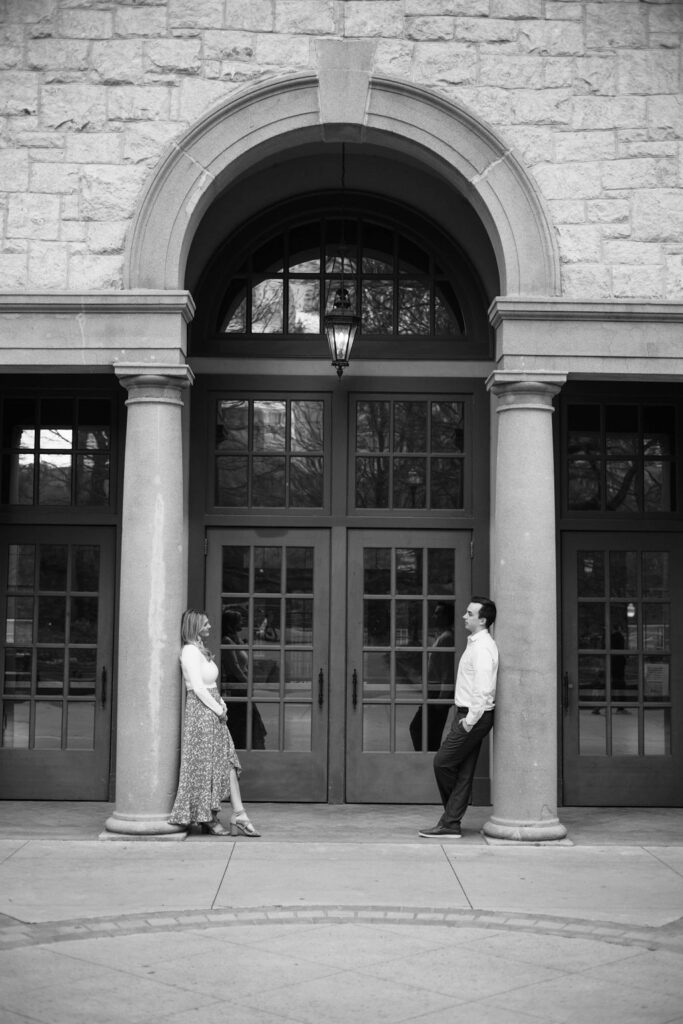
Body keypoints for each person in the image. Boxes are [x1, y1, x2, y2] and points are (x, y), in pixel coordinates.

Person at [169, 609, 261, 837]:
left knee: (226, 760)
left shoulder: (199, 649)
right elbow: (198, 688)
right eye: (206, 624)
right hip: (202, 713)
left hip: (212, 709)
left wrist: (221, 705)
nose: (210, 626)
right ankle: (212, 817)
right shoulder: (190, 651)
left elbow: (209, 687)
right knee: (205, 765)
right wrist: (219, 708)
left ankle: (236, 813)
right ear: (195, 626)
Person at [419, 596, 498, 839]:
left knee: (442, 762)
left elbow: (484, 689)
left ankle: (451, 819)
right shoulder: (476, 643)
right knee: (463, 772)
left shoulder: (483, 647)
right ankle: (451, 822)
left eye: (470, 614)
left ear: (482, 620)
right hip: (468, 714)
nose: (464, 616)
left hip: (473, 716)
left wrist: (470, 720)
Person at [409, 603, 456, 751]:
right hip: (433, 691)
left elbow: (447, 671)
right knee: (430, 733)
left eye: (438, 613)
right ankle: (429, 763)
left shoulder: (446, 638)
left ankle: (426, 763)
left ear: (446, 617)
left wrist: (442, 699)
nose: (434, 616)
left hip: (438, 693)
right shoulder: (442, 636)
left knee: (419, 729)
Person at [221, 608, 267, 750]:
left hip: (242, 684)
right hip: (237, 686)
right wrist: (248, 684)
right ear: (231, 623)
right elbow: (235, 669)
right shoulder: (227, 641)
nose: (243, 622)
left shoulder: (235, 639)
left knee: (249, 718)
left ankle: (250, 747)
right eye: (240, 620)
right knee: (243, 719)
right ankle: (241, 748)